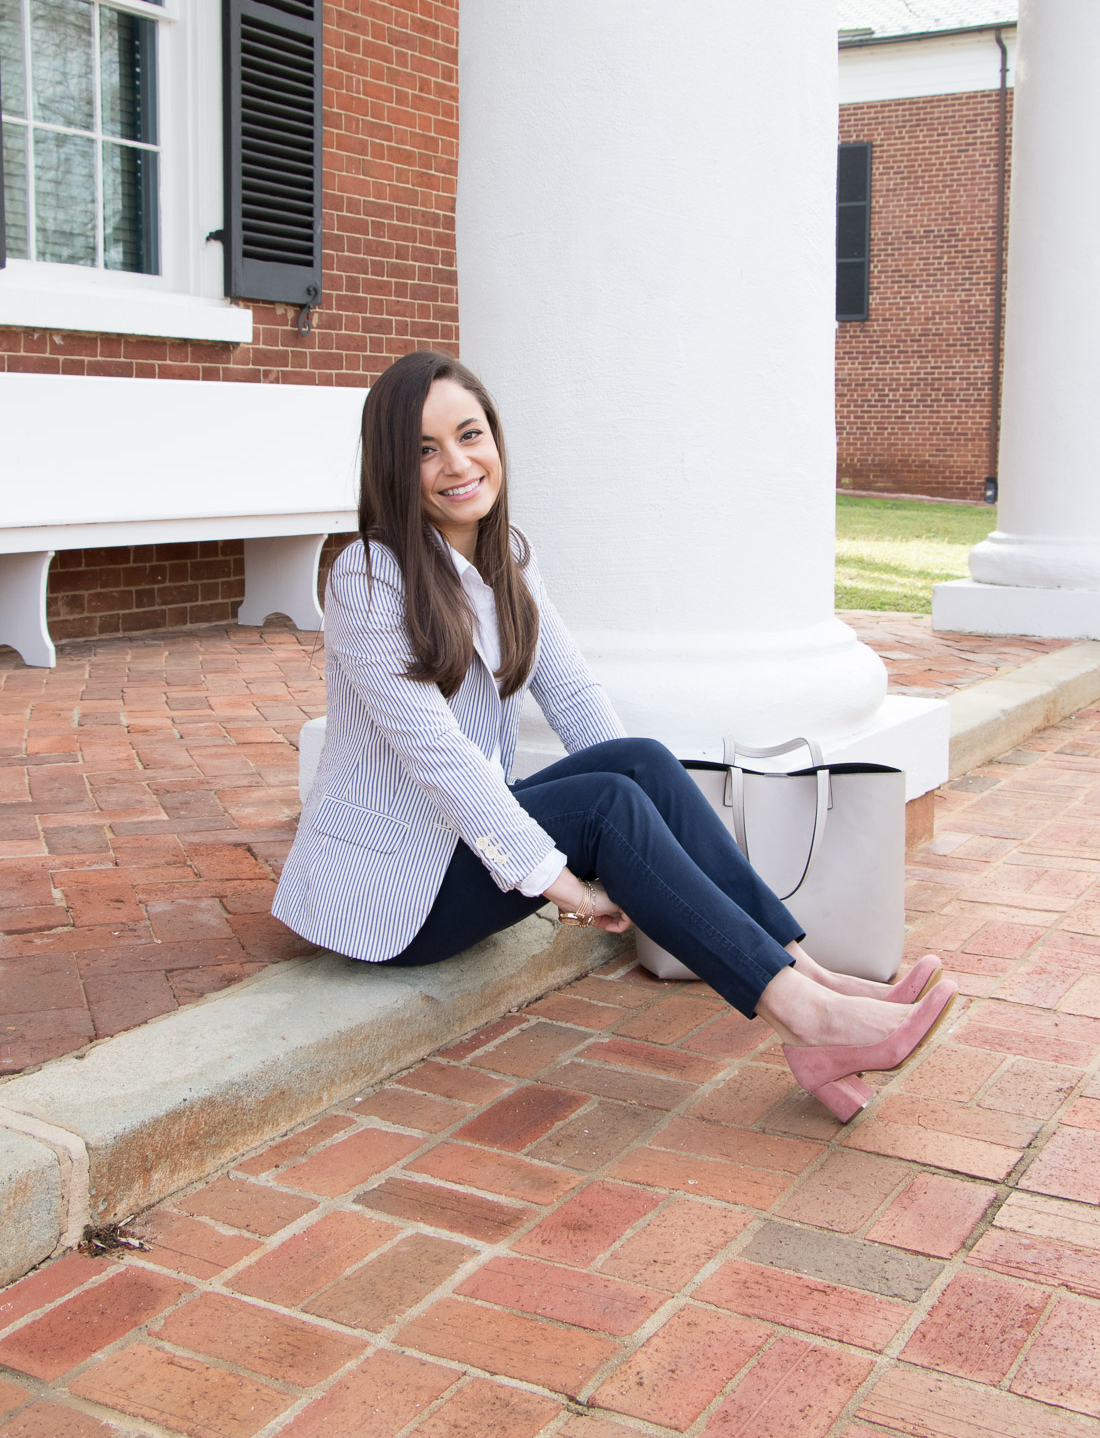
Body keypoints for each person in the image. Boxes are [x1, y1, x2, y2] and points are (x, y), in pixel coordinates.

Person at [272, 352, 955, 1122]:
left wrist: (644, 817)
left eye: (470, 434)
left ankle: (808, 971)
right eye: (426, 449)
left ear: (495, 437)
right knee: (606, 804)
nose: (457, 464)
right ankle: (808, 1019)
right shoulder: (367, 577)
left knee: (641, 764)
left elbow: (575, 698)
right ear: (394, 466)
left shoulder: (507, 559)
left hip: (455, 845)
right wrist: (568, 884)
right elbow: (442, 760)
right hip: (393, 891)